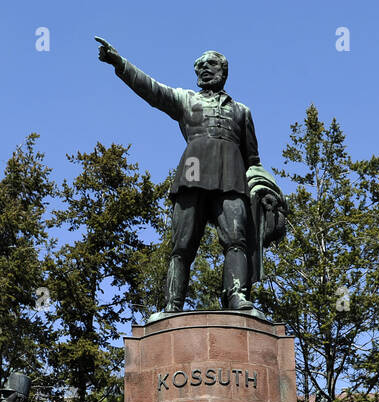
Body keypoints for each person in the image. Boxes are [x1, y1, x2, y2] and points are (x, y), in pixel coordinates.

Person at [96, 37, 285, 314]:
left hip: (231, 179)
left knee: (236, 240)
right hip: (192, 175)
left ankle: (236, 296)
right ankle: (173, 305)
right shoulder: (186, 100)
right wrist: (119, 63)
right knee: (182, 245)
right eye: (199, 67)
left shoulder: (242, 112)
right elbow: (151, 89)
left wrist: (266, 189)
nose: (204, 69)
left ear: (224, 71)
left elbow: (253, 160)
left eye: (210, 64)